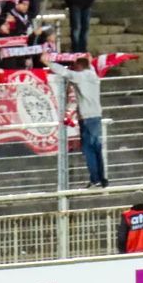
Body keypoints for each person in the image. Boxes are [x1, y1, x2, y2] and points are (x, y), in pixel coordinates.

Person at [47, 55, 107, 188]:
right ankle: (102, 179)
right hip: (96, 116)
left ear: (79, 67)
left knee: (88, 150)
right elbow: (86, 65)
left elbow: (64, 72)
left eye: (75, 66)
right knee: (97, 149)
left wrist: (47, 62)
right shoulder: (93, 74)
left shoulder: (80, 77)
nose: (74, 69)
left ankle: (95, 179)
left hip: (86, 118)